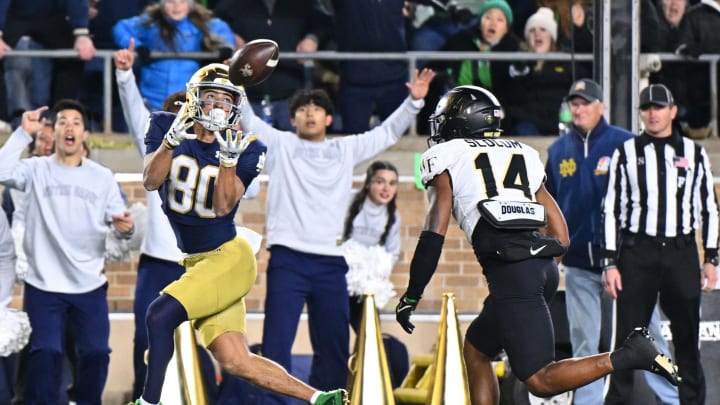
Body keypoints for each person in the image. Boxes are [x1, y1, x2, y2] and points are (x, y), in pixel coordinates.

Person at [394, 85, 680, 405]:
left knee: (541, 381)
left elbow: (434, 232)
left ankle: (630, 354)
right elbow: (562, 235)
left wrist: (413, 293)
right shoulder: (522, 151)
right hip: (540, 269)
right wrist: (535, 263)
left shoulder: (445, 155)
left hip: (514, 276)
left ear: (459, 122)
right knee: (477, 349)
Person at [136, 62, 347, 405]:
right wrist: (171, 141)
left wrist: (229, 163)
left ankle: (147, 402)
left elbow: (222, 206)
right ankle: (320, 398)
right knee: (237, 361)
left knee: (158, 316)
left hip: (229, 258)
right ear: (195, 99)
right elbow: (150, 180)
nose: (219, 104)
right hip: (197, 261)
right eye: (211, 97)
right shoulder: (164, 123)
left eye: (226, 98)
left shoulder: (248, 147)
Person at [237, 67, 435, 405]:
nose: (309, 113)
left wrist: (414, 103)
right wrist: (236, 83)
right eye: (302, 109)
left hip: (331, 263)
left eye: (317, 109)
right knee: (275, 344)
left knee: (333, 349)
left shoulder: (345, 150)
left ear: (329, 119)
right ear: (293, 119)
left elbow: (386, 134)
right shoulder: (281, 145)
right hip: (288, 260)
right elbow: (250, 122)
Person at [545, 78, 679, 405]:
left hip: (626, 262)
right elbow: (549, 205)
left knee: (649, 336)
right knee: (584, 345)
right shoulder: (558, 150)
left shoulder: (626, 143)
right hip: (578, 264)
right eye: (574, 103)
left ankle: (676, 400)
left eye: (585, 103)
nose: (578, 109)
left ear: (601, 107)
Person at [0, 100, 135, 404]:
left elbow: (120, 229)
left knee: (97, 353)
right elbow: (2, 170)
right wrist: (22, 134)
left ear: (85, 134)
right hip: (44, 286)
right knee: (45, 353)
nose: (69, 127)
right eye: (62, 121)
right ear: (55, 131)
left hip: (89, 286)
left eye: (76, 122)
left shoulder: (102, 177)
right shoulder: (35, 169)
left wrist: (125, 230)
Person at [601, 83, 719, 405]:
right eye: (646, 108)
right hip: (638, 253)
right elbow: (611, 208)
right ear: (641, 113)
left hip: (681, 253)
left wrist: (711, 257)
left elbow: (709, 206)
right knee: (626, 342)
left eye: (659, 107)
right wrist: (610, 262)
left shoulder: (694, 153)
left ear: (672, 111)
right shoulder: (625, 153)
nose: (652, 113)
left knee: (687, 342)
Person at [213, 0, 334, 131]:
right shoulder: (232, 4)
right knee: (249, 149)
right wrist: (229, 36)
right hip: (248, 96)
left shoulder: (305, 3)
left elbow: (326, 23)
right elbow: (209, 22)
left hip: (292, 95)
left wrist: (313, 38)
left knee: (294, 149)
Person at [112, 0, 236, 111]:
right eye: (171, 1)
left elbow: (223, 31)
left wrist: (226, 46)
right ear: (162, 4)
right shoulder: (151, 22)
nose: (177, 6)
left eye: (182, 1)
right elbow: (121, 28)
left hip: (186, 101)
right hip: (151, 101)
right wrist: (139, 46)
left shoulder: (198, 22)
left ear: (190, 4)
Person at [341, 160, 401, 333]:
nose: (386, 189)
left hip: (366, 286)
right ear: (368, 183)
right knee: (335, 330)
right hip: (341, 278)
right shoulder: (349, 201)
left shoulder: (393, 216)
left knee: (370, 332)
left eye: (392, 183)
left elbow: (392, 254)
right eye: (380, 181)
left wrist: (376, 273)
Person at [507, 7, 586, 135]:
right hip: (529, 126)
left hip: (559, 124)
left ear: (551, 37)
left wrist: (580, 30)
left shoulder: (566, 62)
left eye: (543, 29)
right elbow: (513, 97)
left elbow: (585, 78)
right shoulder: (519, 63)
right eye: (532, 30)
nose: (537, 34)